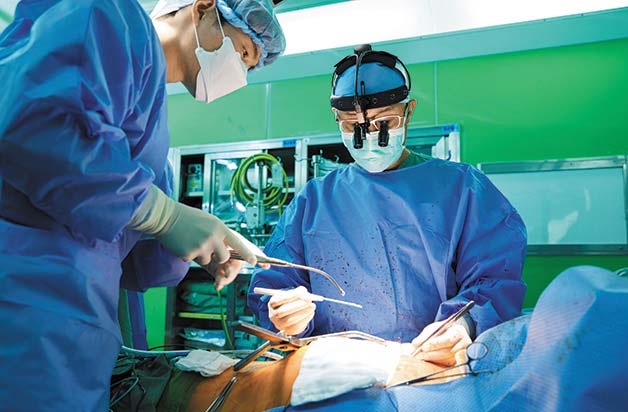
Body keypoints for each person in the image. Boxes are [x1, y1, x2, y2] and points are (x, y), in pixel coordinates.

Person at [0, 0, 284, 410]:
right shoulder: (108, 14)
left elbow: (136, 263)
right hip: (23, 307)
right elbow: (40, 131)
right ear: (203, 8)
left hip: (75, 336)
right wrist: (164, 216)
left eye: (249, 67)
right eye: (242, 52)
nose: (239, 72)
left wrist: (205, 247)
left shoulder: (153, 135)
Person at [248, 45, 527, 368]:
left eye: (384, 121)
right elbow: (274, 285)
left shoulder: (463, 189)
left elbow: (494, 281)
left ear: (409, 112)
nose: (368, 137)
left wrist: (464, 324)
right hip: (337, 376)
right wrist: (287, 318)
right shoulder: (313, 201)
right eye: (352, 125)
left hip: (433, 369)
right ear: (337, 118)